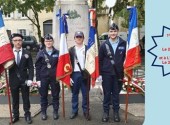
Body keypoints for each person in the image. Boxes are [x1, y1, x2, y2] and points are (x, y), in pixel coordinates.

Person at [99, 23, 126, 122]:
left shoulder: (123, 44)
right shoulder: (103, 45)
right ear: (108, 32)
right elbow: (100, 60)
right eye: (111, 31)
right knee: (106, 94)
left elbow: (126, 59)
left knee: (115, 95)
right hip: (107, 74)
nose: (113, 33)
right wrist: (100, 75)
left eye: (115, 31)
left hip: (119, 74)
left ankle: (116, 112)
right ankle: (106, 112)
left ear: (117, 32)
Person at [9, 33, 34, 124]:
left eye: (19, 40)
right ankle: (16, 116)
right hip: (13, 80)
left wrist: (30, 79)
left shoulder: (27, 53)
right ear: (12, 42)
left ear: (22, 41)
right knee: (14, 99)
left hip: (24, 80)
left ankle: (27, 115)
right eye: (15, 40)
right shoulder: (9, 54)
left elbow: (31, 67)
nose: (18, 42)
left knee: (26, 98)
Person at [35, 34, 60, 120]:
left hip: (54, 78)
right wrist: (38, 79)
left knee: (55, 95)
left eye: (50, 41)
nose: (48, 42)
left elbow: (60, 66)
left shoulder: (57, 53)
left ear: (53, 42)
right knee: (43, 96)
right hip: (43, 78)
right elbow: (37, 67)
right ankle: (44, 112)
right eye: (47, 41)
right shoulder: (40, 53)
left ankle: (55, 111)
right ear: (44, 42)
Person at [69, 31, 90, 120]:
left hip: (85, 74)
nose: (78, 38)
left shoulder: (87, 48)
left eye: (80, 37)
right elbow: (68, 64)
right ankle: (74, 111)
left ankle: (86, 111)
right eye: (77, 37)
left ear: (83, 38)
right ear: (74, 38)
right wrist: (69, 77)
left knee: (85, 94)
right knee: (74, 94)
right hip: (74, 74)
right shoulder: (71, 50)